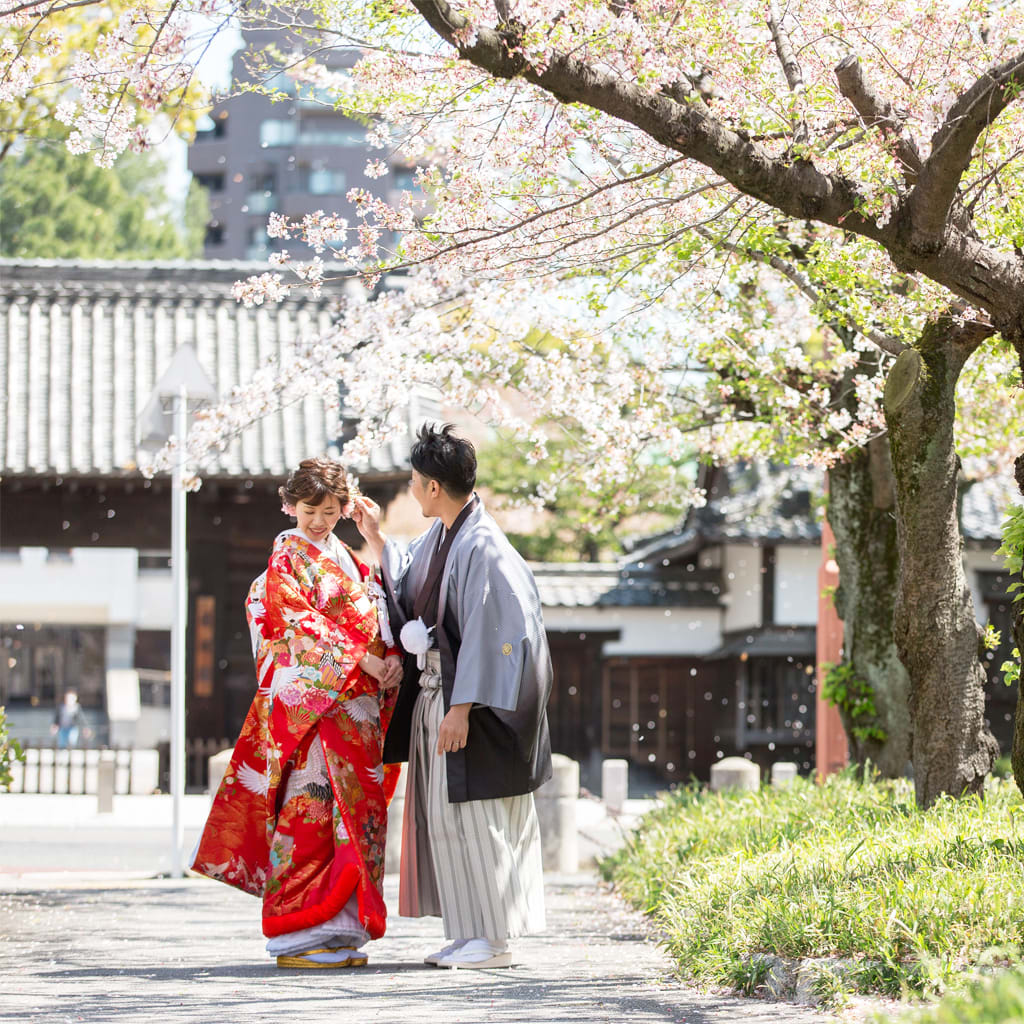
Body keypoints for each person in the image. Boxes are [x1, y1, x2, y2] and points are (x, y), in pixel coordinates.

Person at [351, 423, 552, 970]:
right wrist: (373, 537)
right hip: (440, 694)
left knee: (476, 816)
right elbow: (412, 581)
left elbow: (498, 630)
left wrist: (463, 707)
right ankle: (469, 932)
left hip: (472, 703)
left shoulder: (483, 546)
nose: (412, 490)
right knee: (445, 817)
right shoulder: (447, 535)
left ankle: (494, 937)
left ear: (433, 486)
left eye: (416, 481)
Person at [191, 458, 404, 969]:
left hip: (356, 712)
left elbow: (377, 614)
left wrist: (391, 657)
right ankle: (296, 935)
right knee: (308, 816)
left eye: (330, 511)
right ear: (291, 505)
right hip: (315, 712)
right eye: (309, 510)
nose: (318, 522)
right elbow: (297, 627)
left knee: (354, 819)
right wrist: (364, 658)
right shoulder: (287, 556)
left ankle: (340, 933)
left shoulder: (348, 558)